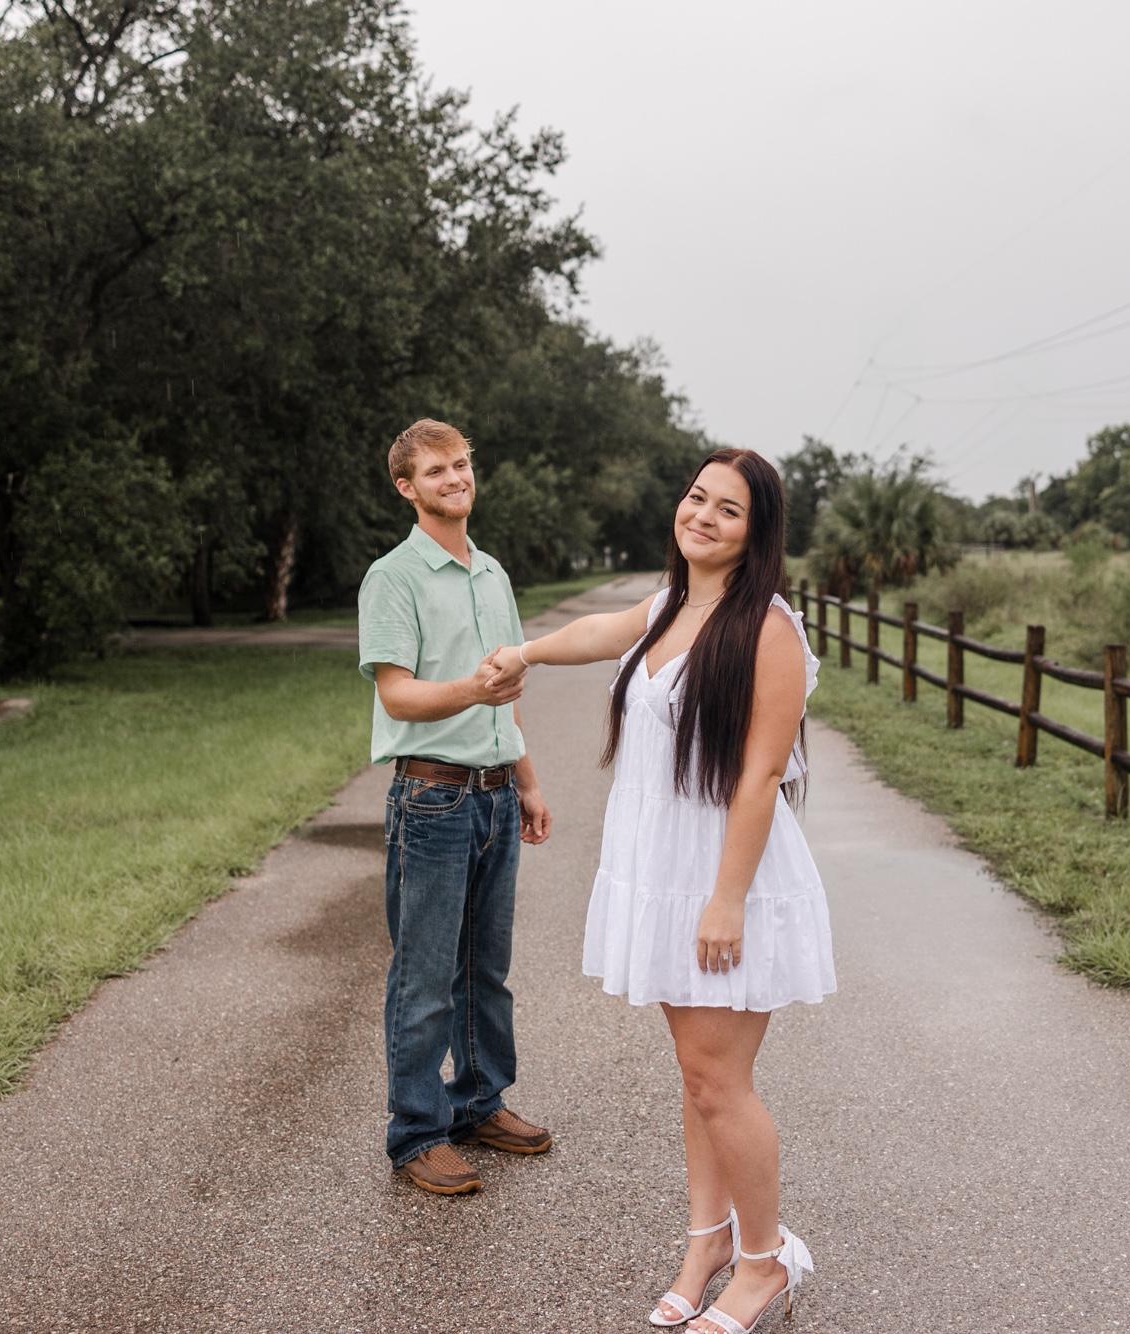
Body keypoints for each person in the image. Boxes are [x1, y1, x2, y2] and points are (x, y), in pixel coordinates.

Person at [486, 447, 834, 1331]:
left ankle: (764, 1265)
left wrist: (726, 899)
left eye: (729, 509)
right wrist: (522, 653)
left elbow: (761, 777)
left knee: (720, 1082)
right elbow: (596, 633)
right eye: (696, 497)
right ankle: (706, 1243)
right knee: (698, 1074)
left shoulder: (768, 629)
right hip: (666, 873)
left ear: (756, 533)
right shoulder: (669, 608)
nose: (703, 516)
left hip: (724, 879)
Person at [357, 418, 554, 1197]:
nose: (455, 478)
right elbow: (398, 695)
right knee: (425, 977)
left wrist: (527, 781)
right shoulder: (394, 577)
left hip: (496, 797)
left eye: (462, 464)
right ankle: (416, 1132)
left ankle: (479, 1103)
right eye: (437, 470)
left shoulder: (493, 574)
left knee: (486, 972)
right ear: (406, 486)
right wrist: (472, 689)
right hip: (432, 800)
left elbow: (508, 694)